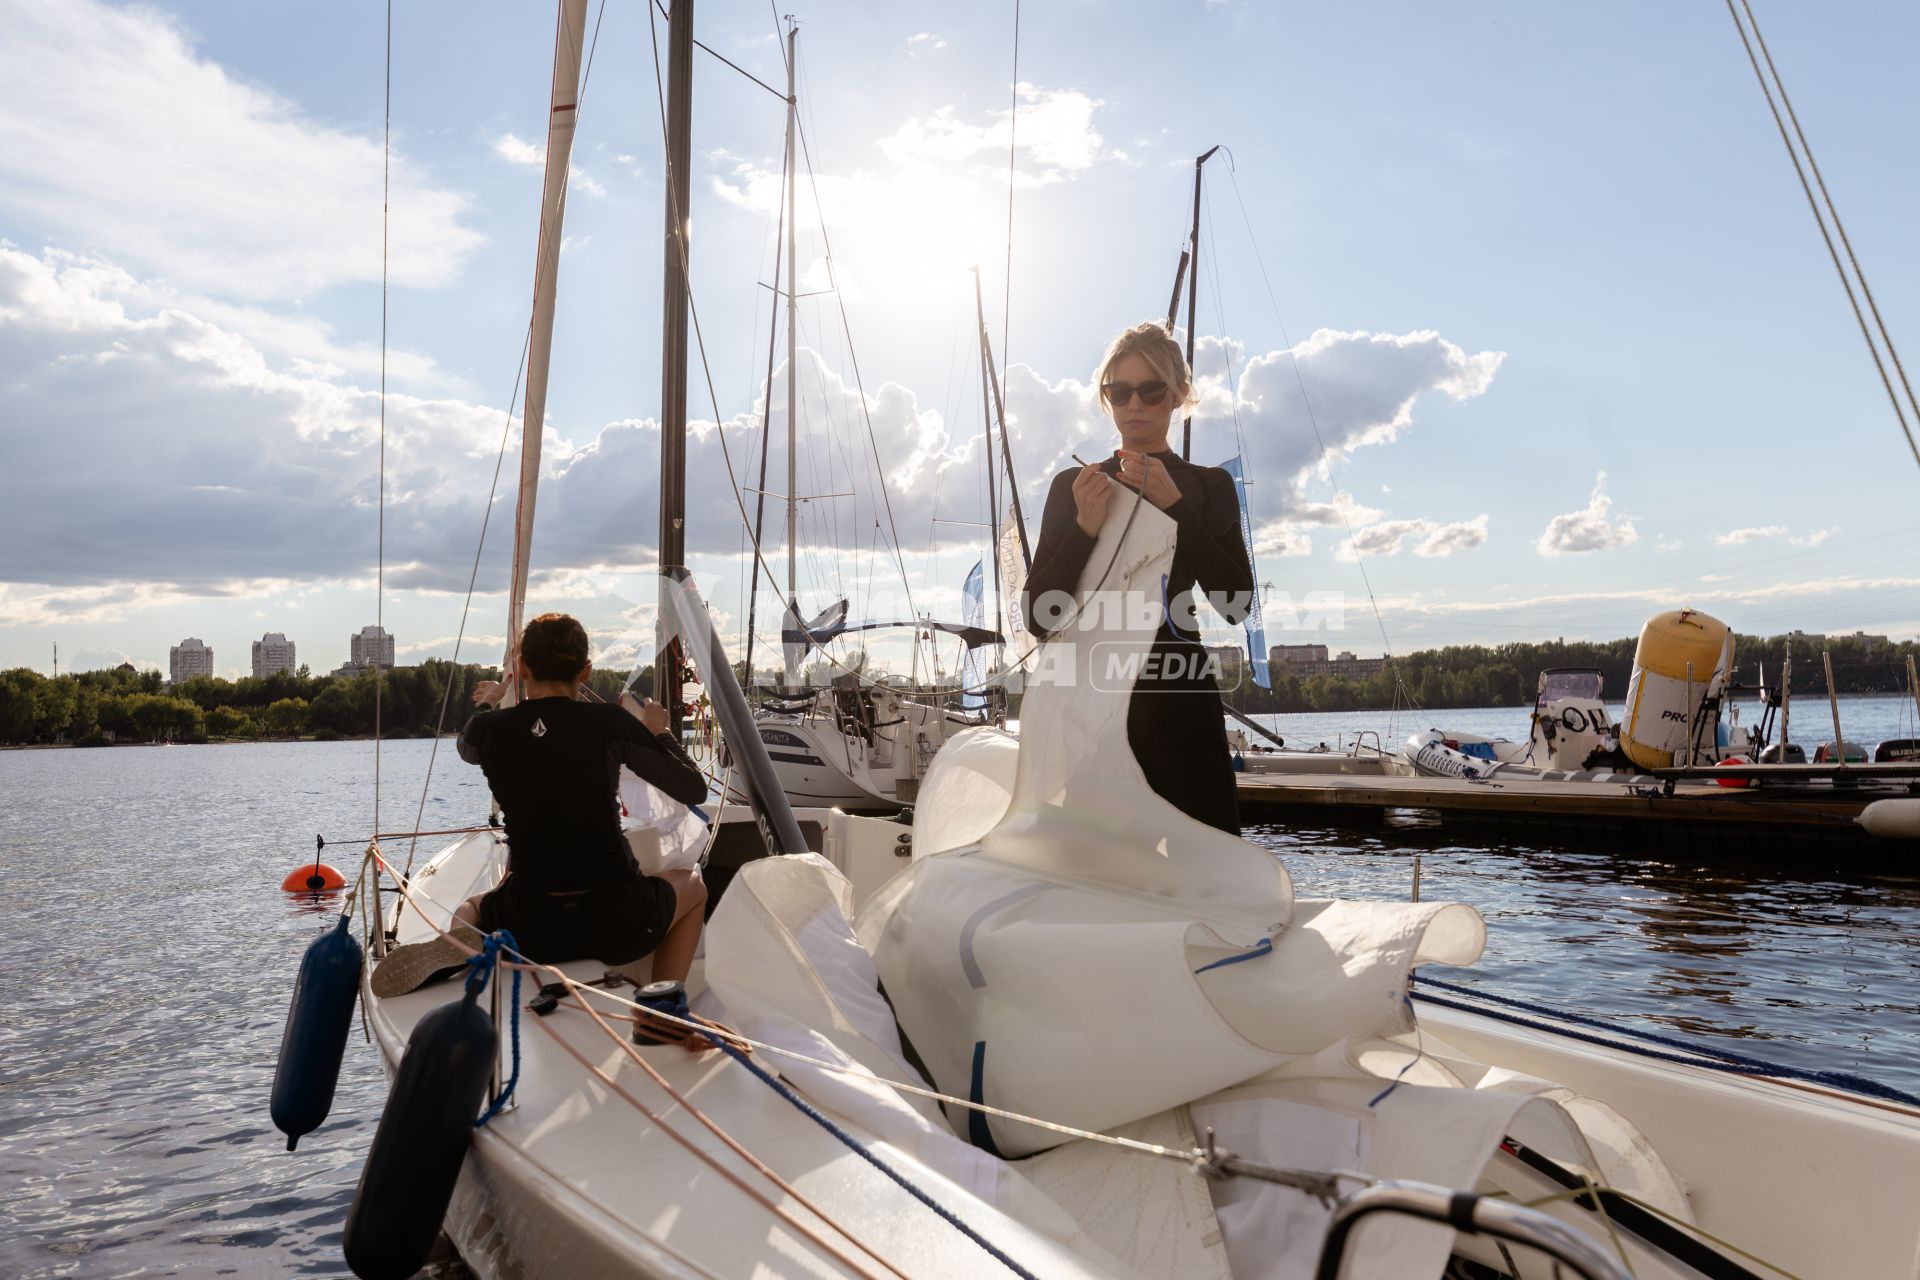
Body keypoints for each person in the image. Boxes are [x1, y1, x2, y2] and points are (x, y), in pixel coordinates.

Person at [370, 613, 711, 998]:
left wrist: (490, 704)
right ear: (585, 671)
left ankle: (464, 949)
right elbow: (693, 789)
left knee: (471, 909)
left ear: (522, 667)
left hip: (529, 926)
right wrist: (660, 732)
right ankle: (660, 1005)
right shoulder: (609, 723)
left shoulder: (490, 730)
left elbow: (466, 745)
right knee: (694, 884)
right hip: (618, 920)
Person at [1021, 322, 1254, 834]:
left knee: (1208, 869)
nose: (1135, 404)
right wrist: (1084, 527)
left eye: (1151, 390)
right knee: (1095, 880)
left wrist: (1176, 507)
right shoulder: (1075, 487)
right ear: (1106, 397)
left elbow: (1235, 604)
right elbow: (1039, 616)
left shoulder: (1208, 486)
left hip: (1179, 700)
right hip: (1089, 705)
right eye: (1119, 390)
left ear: (1179, 396)